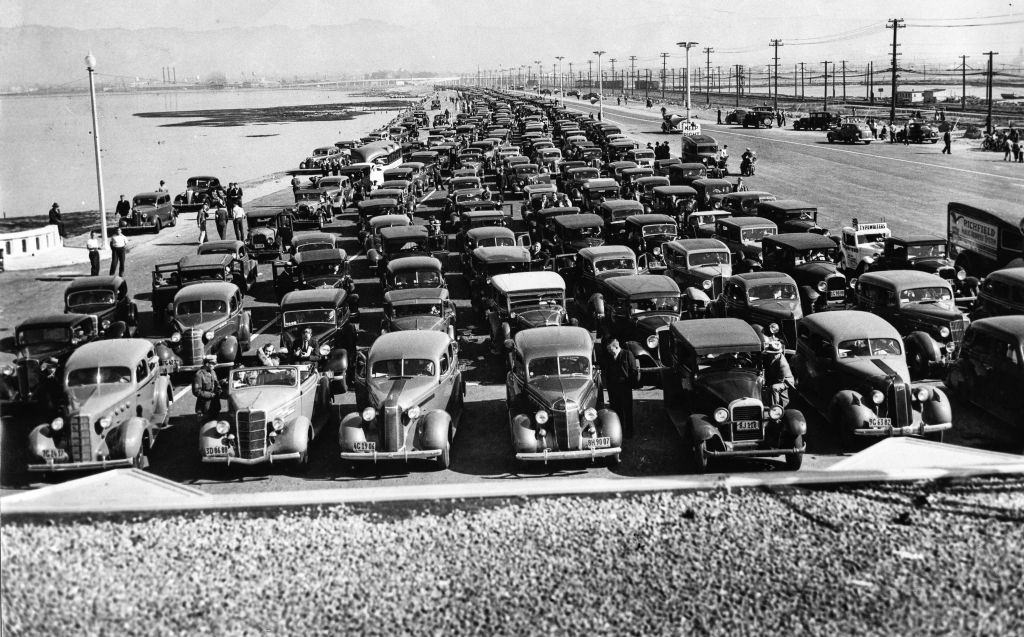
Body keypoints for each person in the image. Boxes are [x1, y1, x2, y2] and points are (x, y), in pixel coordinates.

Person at [602, 338, 640, 438]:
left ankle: (629, 433)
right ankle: (618, 432)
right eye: (608, 350)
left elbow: (633, 371)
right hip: (613, 390)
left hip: (625, 388)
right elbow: (607, 373)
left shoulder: (627, 354)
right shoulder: (609, 357)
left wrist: (631, 385)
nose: (609, 351)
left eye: (610, 349)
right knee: (616, 411)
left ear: (616, 347)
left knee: (627, 411)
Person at [192, 355, 222, 425]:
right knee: (205, 426)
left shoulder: (213, 372)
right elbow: (197, 391)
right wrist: (211, 395)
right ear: (207, 364)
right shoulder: (199, 375)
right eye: (213, 363)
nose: (214, 365)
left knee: (215, 425)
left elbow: (216, 384)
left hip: (215, 405)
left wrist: (219, 389)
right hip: (204, 407)